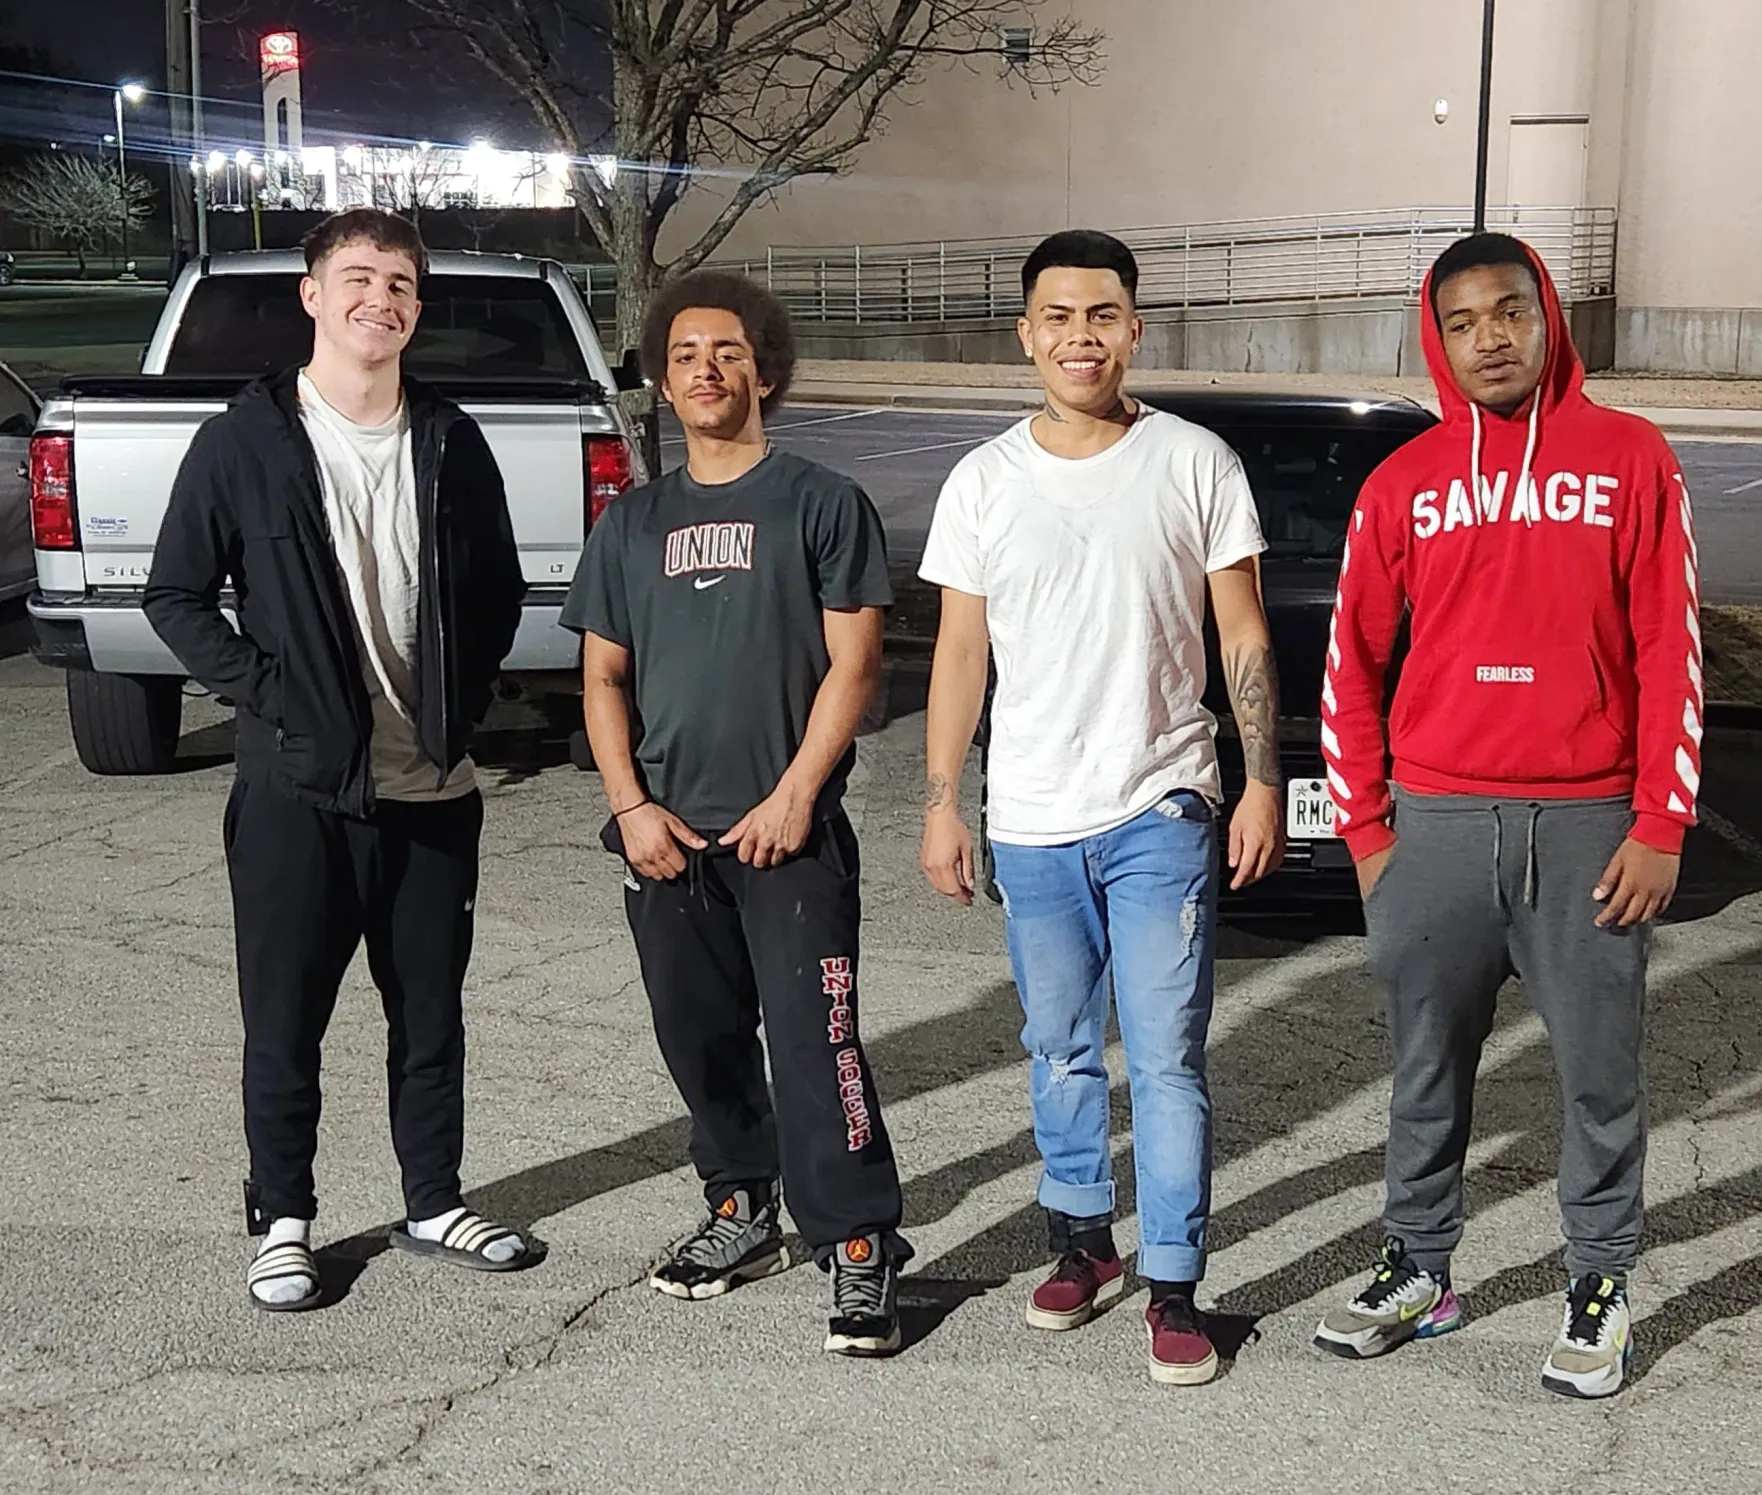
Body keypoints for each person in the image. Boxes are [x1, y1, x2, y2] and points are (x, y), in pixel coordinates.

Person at [1312, 233, 1699, 1398]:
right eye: (1467, 320)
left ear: (1547, 318)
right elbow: (1352, 664)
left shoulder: (1630, 458)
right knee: (1425, 1070)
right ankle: (1422, 1266)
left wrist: (1662, 820)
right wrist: (1373, 836)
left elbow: (1670, 645)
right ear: (1440, 336)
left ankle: (1599, 1282)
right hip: (1435, 825)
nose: (1493, 337)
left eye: (1512, 312)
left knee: (1598, 1074)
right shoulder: (1405, 480)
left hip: (1589, 828)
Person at [144, 208, 533, 1311]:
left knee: (431, 1014)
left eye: (402, 282)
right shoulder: (248, 440)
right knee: (285, 1016)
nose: (382, 299)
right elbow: (175, 594)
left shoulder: (452, 438)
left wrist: (461, 705)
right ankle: (282, 1217)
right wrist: (275, 699)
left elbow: (497, 591)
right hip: (298, 792)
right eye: (357, 277)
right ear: (312, 295)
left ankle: (433, 1200)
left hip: (433, 790)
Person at [919, 230, 1283, 1387]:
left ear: (1135, 329)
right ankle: (1082, 1240)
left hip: (1159, 804)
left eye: (1104, 314)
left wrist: (1262, 776)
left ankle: (1176, 1283)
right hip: (1030, 815)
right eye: (1059, 316)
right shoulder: (983, 481)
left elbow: (1243, 632)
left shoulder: (1194, 462)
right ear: (1026, 334)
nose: (1082, 335)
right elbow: (960, 657)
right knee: (1059, 1046)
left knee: (1168, 1055)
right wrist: (943, 802)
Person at [561, 271, 910, 1358]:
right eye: (682, 356)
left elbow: (855, 665)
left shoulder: (819, 501)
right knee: (699, 1041)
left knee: (821, 1049)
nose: (704, 369)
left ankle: (858, 1246)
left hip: (787, 835)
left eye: (725, 351)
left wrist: (797, 793)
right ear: (662, 385)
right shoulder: (633, 523)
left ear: (763, 368)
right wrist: (632, 809)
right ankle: (742, 1208)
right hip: (668, 839)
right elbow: (602, 680)